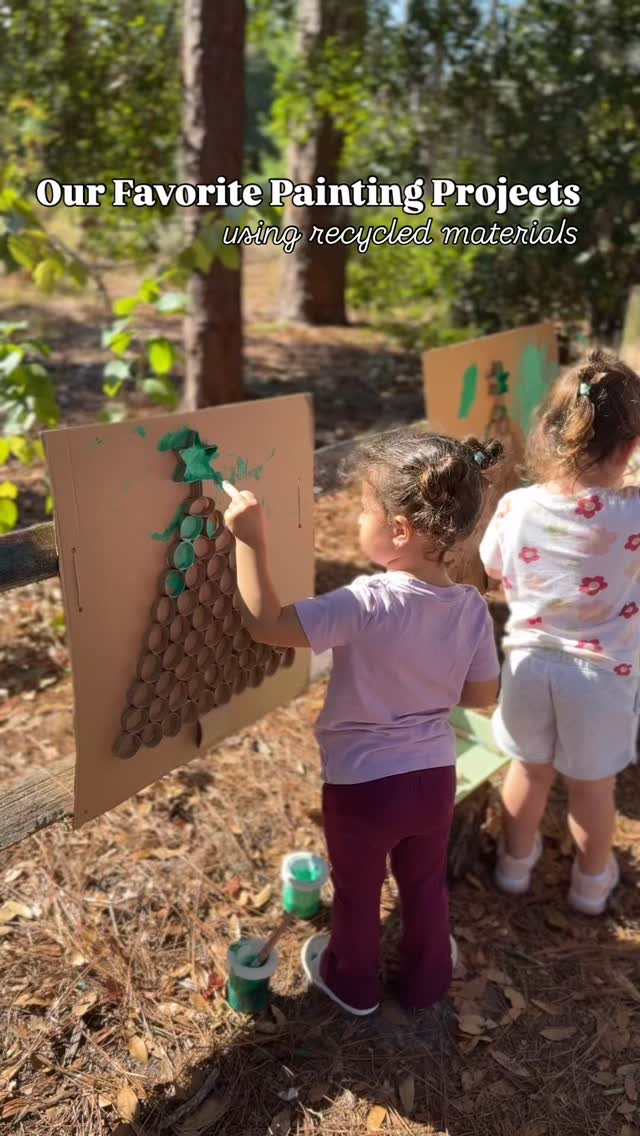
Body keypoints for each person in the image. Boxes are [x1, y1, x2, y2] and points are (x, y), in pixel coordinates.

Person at [223, 428, 501, 1016]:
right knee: (424, 886)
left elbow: (267, 625)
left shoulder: (368, 602)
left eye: (363, 510)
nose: (355, 521)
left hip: (362, 788)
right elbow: (480, 694)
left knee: (356, 892)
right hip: (434, 778)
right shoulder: (472, 606)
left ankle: (353, 983)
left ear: (399, 530)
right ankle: (428, 982)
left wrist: (249, 541)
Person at [480, 349, 640, 915]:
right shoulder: (634, 512)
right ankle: (591, 885)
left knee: (529, 772)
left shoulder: (517, 505)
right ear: (630, 447)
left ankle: (513, 869)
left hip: (528, 665)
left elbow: (494, 568)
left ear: (549, 432)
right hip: (602, 678)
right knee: (593, 789)